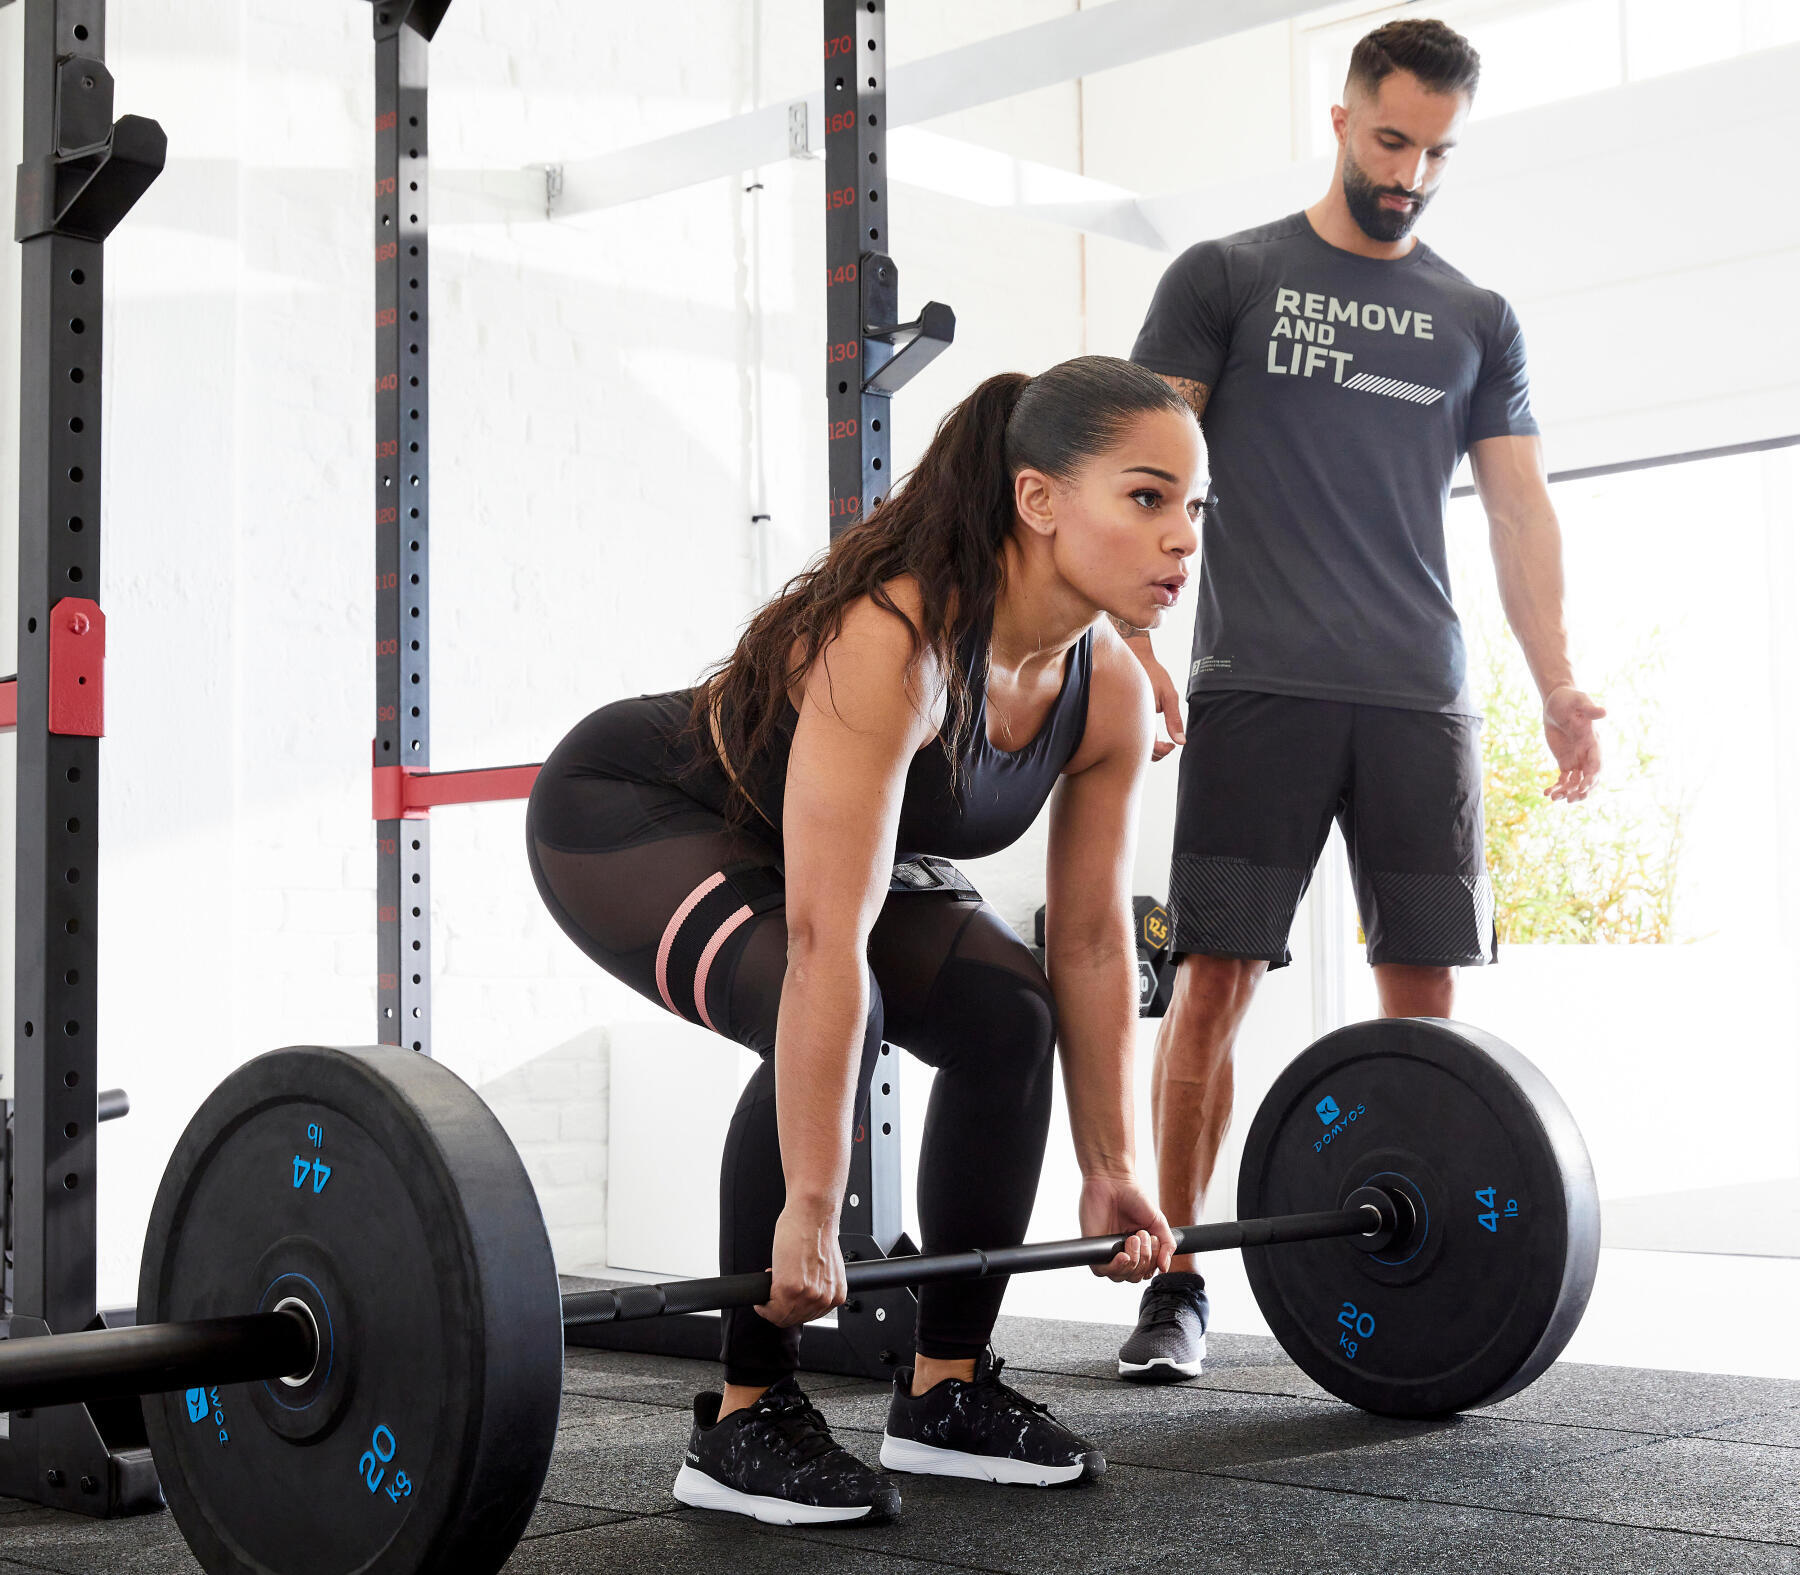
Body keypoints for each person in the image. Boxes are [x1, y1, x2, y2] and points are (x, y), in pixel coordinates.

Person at [527, 356, 1198, 1524]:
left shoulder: (1108, 693)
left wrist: (1111, 1169)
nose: (1181, 536)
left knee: (1011, 1012)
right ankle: (742, 1413)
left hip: (818, 862)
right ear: (1039, 501)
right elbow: (827, 943)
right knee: (830, 998)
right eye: (1146, 498)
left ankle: (946, 1391)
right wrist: (811, 1202)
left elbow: (1090, 943)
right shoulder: (896, 641)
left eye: (1194, 508)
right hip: (641, 815)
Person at [1113, 17, 1607, 1382]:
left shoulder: (1479, 318)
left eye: (1439, 150)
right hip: (1257, 683)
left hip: (1417, 699)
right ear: (1340, 119)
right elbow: (1145, 464)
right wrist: (1131, 636)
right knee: (1212, 979)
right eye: (1392, 140)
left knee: (1424, 996)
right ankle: (1181, 1277)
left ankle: (1433, 1266)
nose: (1412, 170)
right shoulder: (1226, 275)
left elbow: (1519, 511)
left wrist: (1557, 678)